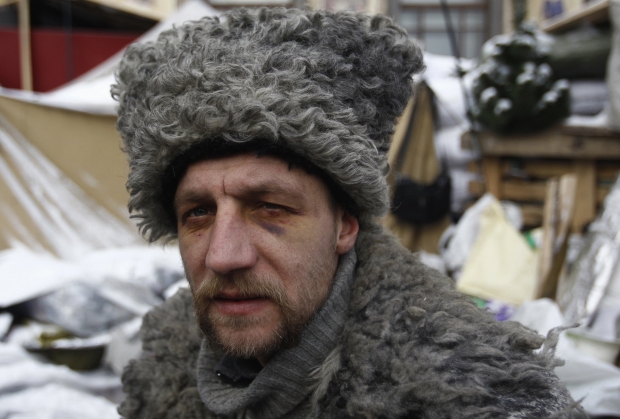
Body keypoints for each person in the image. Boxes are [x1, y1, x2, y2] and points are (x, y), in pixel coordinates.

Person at [112, 7, 585, 419]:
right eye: (198, 213)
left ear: (345, 225)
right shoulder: (162, 379)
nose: (224, 255)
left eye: (270, 208)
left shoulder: (474, 398)